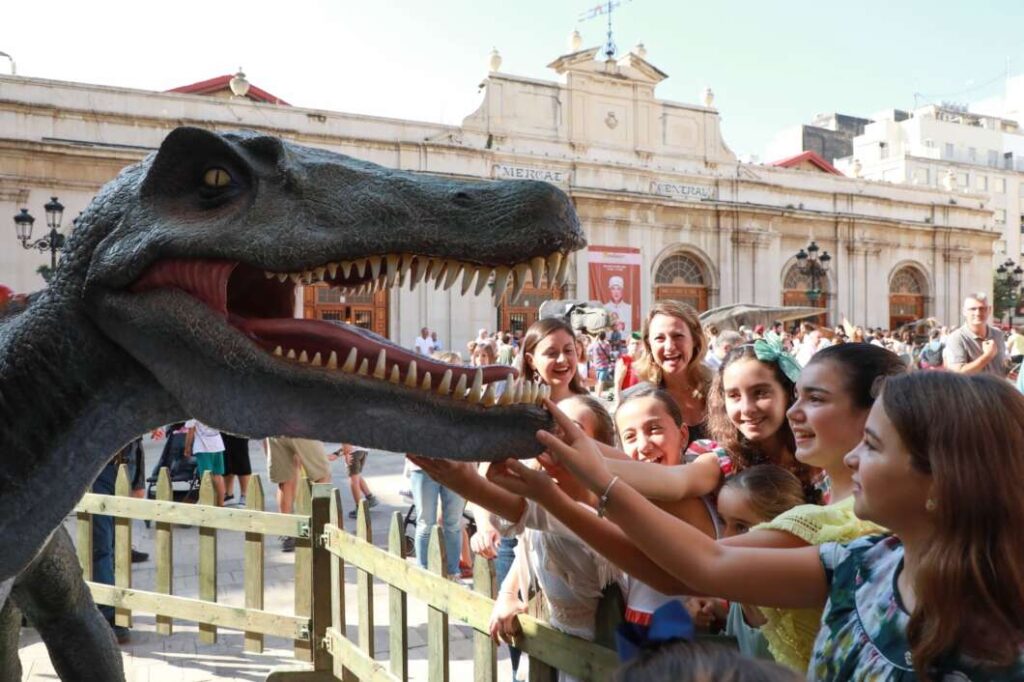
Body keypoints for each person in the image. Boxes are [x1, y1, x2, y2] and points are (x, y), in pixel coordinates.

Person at [539, 372, 1024, 680]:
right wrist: (572, 483)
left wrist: (597, 480)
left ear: (941, 478)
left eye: (873, 446)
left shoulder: (1006, 642)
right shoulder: (863, 563)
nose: (854, 457)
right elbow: (709, 562)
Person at [627, 300, 711, 445]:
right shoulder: (636, 401)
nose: (669, 347)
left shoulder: (721, 389)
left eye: (678, 336)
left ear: (695, 340)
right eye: (660, 338)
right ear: (649, 345)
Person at [266, 436, 332, 551]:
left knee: (286, 480)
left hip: (275, 429)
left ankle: (288, 533)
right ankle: (319, 529)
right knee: (322, 475)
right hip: (302, 427)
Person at [945, 293, 1008, 377]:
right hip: (971, 390)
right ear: (964, 311)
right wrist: (987, 356)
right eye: (973, 309)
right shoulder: (956, 338)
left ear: (989, 310)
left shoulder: (998, 334)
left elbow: (1002, 366)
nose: (978, 313)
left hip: (998, 389)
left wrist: (1009, 369)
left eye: (982, 308)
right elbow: (958, 374)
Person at [184, 419, 226, 506]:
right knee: (218, 476)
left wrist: (187, 448)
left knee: (206, 478)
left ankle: (208, 503)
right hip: (218, 444)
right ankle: (221, 504)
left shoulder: (193, 412)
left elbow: (191, 430)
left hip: (203, 447)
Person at [330, 444, 379, 519]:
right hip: (363, 450)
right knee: (356, 475)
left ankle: (360, 508)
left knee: (353, 479)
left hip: (353, 451)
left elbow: (346, 439)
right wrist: (337, 453)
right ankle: (370, 498)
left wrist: (344, 453)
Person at [221, 433, 252, 506]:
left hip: (240, 428)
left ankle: (245, 495)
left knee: (242, 458)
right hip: (224, 426)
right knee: (227, 458)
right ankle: (229, 494)